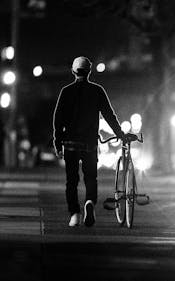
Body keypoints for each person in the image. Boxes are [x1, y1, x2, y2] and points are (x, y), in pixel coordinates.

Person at [53, 56, 125, 227]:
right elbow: (109, 115)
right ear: (89, 71)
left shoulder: (66, 91)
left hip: (70, 143)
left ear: (73, 71)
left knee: (71, 180)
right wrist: (120, 134)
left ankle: (74, 214)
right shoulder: (98, 91)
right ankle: (90, 202)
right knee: (91, 178)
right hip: (90, 144)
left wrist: (58, 142)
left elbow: (58, 119)